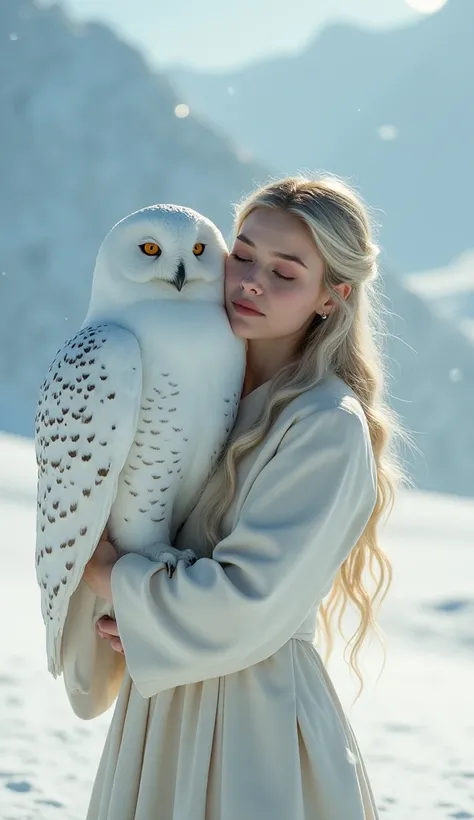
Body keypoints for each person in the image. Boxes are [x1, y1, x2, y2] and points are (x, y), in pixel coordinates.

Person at [72, 175, 405, 820]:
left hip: (255, 720)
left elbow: (247, 601)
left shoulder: (326, 424)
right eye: (243, 255)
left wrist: (113, 577)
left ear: (331, 298)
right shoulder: (201, 386)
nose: (251, 280)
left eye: (286, 273)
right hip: (163, 705)